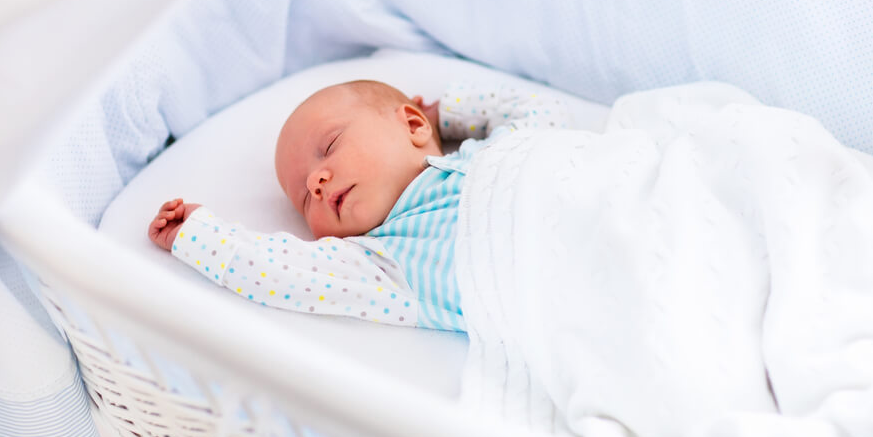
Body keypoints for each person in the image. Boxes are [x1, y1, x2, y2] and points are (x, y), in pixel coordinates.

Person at [148, 79, 568, 331]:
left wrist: (446, 113)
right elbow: (281, 273)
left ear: (412, 125)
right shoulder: (383, 263)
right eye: (301, 200)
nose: (315, 182)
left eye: (329, 146)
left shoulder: (491, 156)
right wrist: (198, 234)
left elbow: (544, 112)